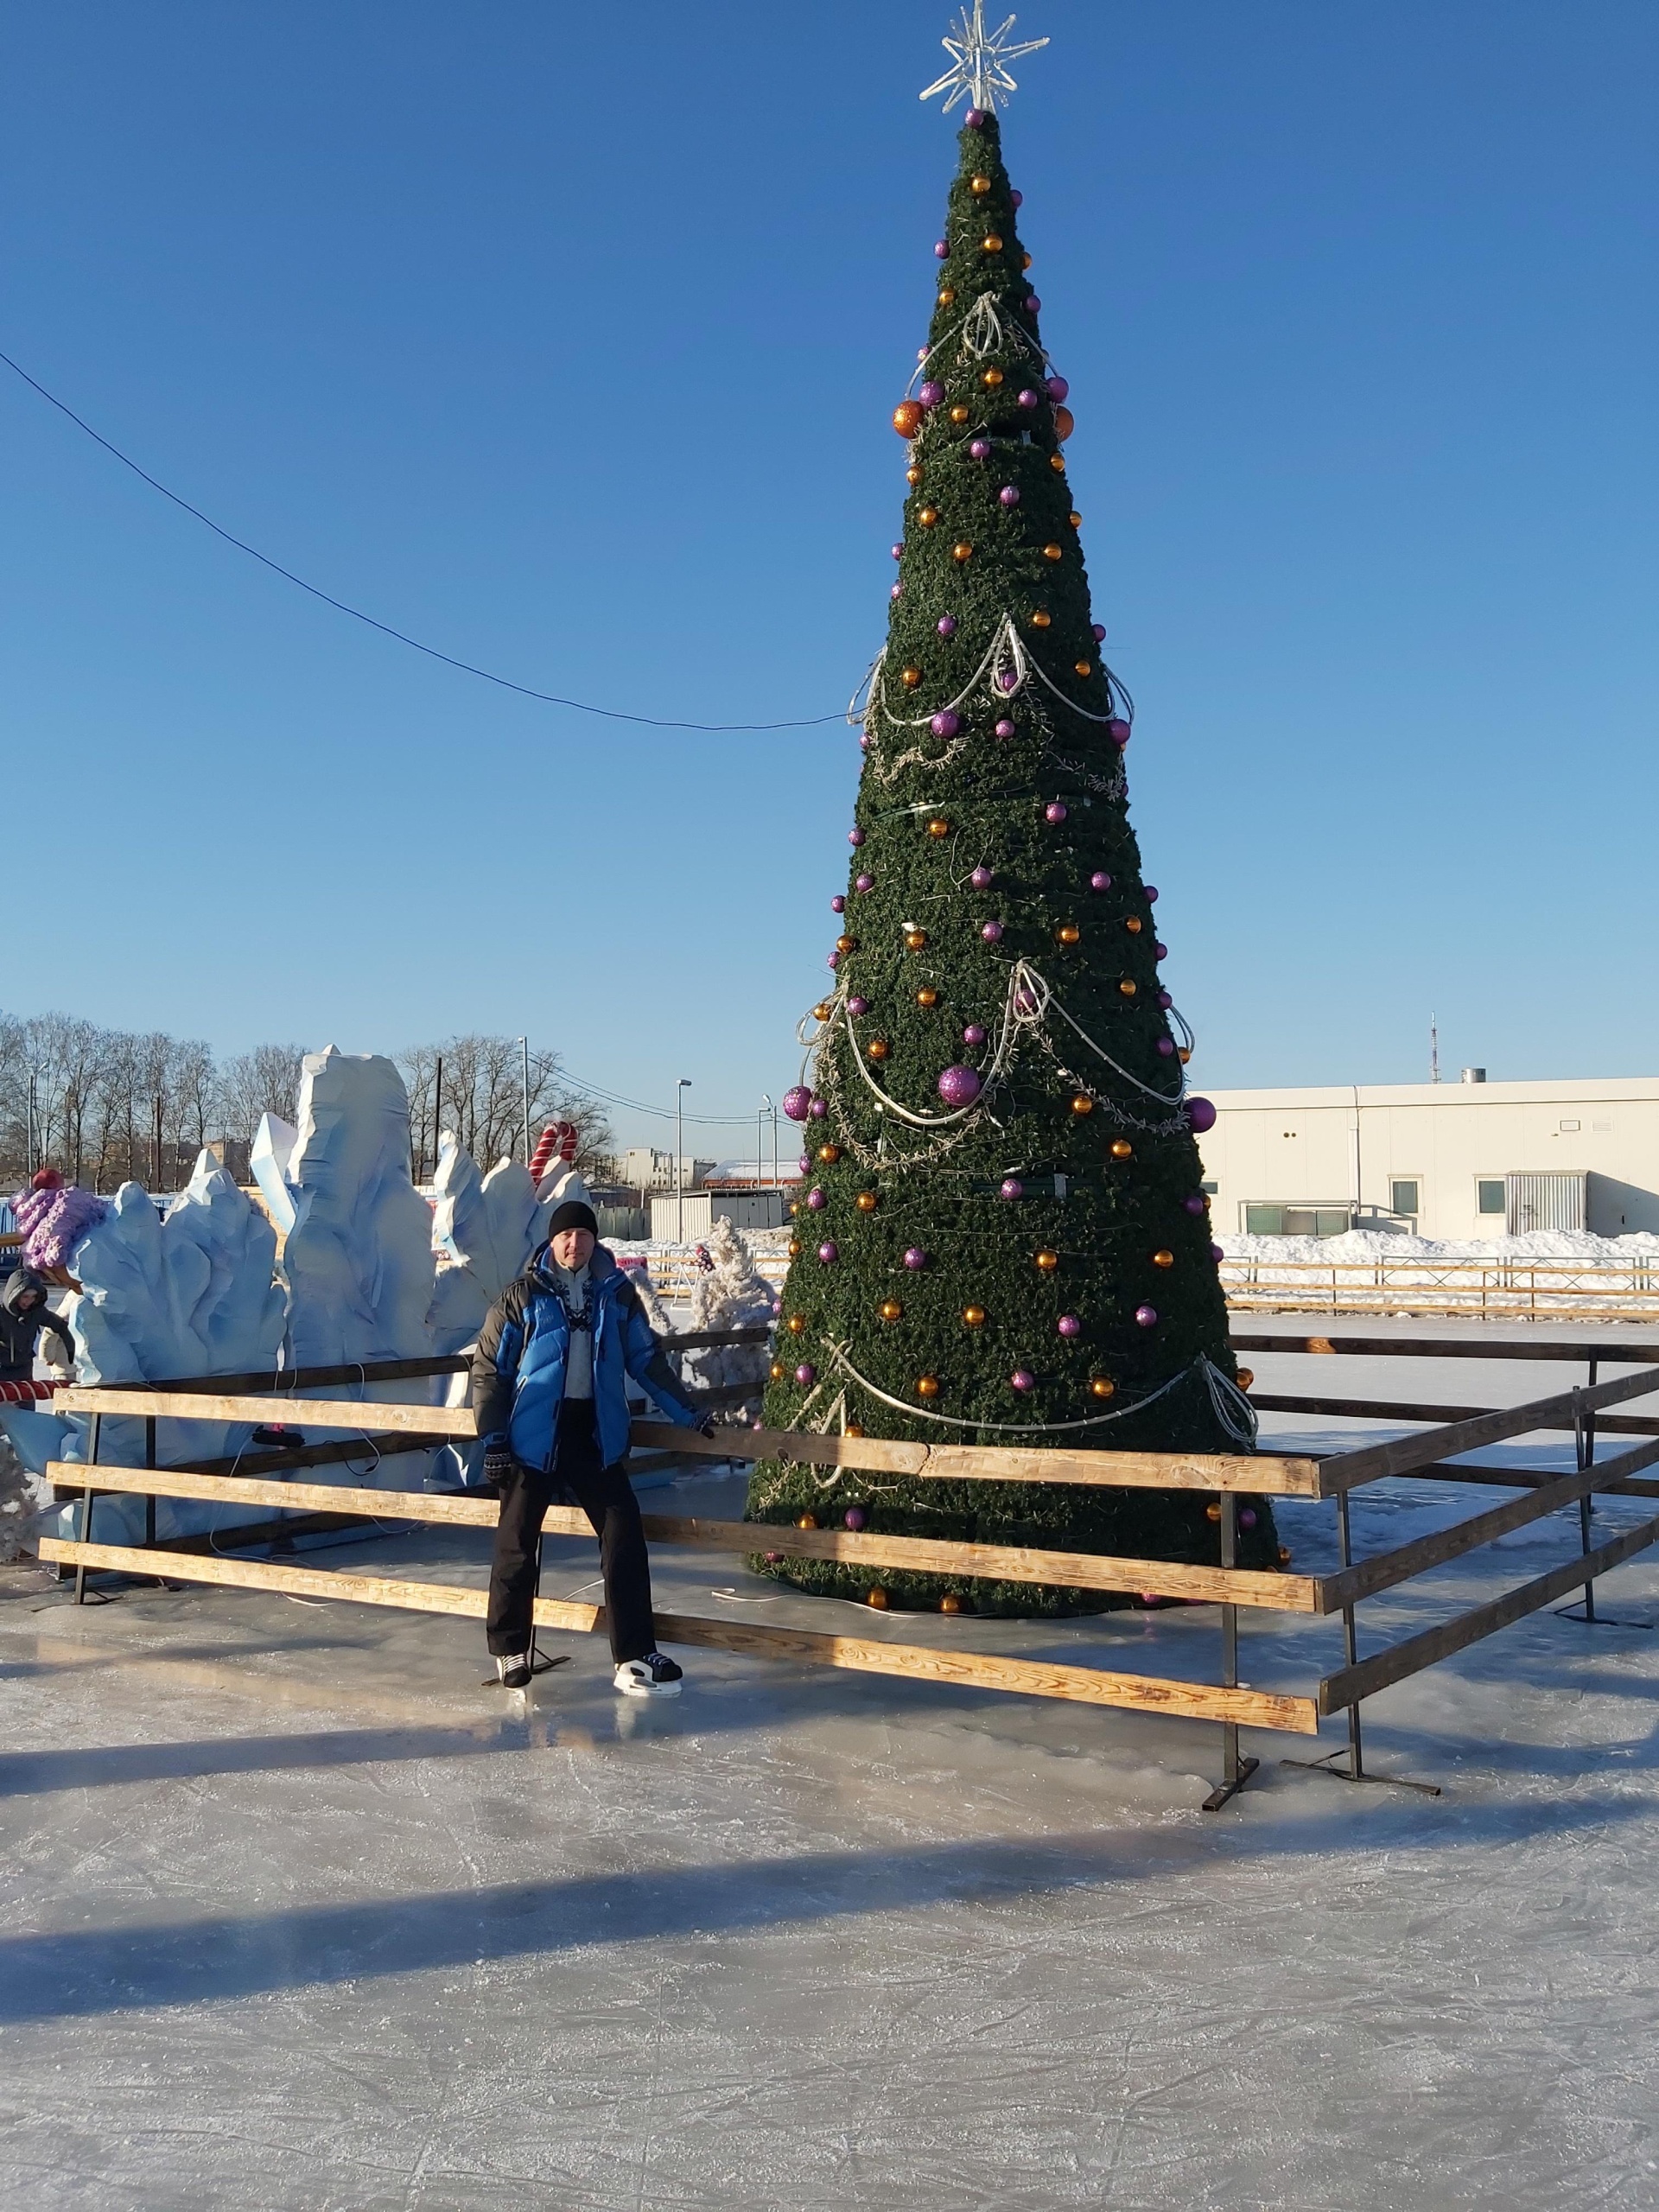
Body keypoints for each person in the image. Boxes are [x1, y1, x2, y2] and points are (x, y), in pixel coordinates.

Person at [471, 1199, 713, 1695]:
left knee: (623, 1535)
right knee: (516, 1543)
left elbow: (647, 1362)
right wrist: (494, 1438)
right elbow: (490, 1374)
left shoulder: (616, 1295)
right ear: (552, 1241)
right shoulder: (523, 1296)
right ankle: (510, 1647)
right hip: (531, 1441)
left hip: (594, 1435)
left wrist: (688, 1414)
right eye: (566, 1236)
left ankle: (633, 1653)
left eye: (583, 1235)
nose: (574, 1244)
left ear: (594, 1241)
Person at [0, 1267, 74, 1387]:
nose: (28, 1301)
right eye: (25, 1296)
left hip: (25, 1370)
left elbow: (60, 1326)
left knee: (25, 1402)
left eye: (33, 1296)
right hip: (2, 1369)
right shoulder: (2, 1315)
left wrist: (70, 1348)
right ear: (14, 1295)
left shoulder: (36, 1312)